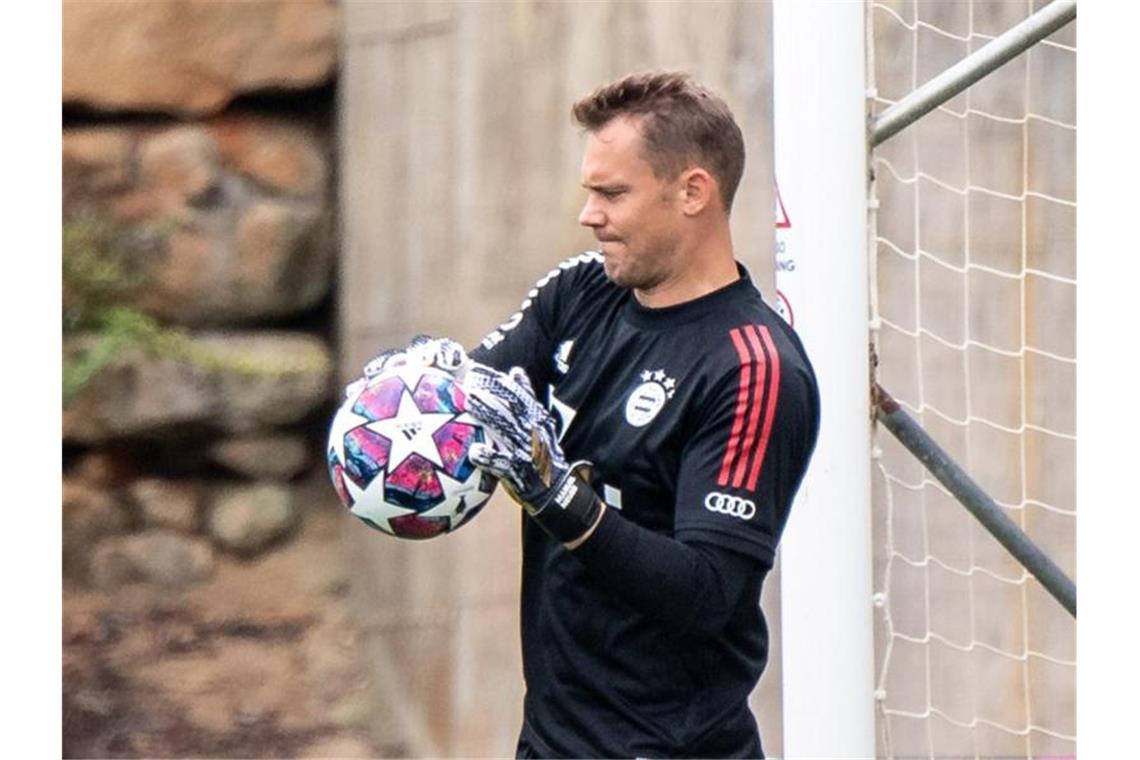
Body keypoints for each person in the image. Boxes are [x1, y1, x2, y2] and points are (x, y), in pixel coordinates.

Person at [358, 71, 820, 759]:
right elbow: (474, 400)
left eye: (612, 193)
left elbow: (709, 593)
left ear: (693, 192)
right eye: (590, 192)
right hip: (551, 742)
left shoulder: (752, 367)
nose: (589, 214)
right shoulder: (579, 292)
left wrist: (560, 502)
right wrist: (417, 401)